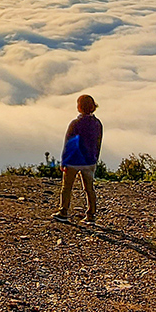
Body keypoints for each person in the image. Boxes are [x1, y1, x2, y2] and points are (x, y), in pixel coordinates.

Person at [52, 94, 103, 224]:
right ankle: (91, 215)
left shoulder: (76, 124)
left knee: (67, 187)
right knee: (89, 188)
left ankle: (64, 212)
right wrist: (95, 158)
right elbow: (98, 143)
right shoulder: (97, 123)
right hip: (89, 161)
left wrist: (64, 161)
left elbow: (69, 143)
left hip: (74, 161)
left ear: (79, 107)